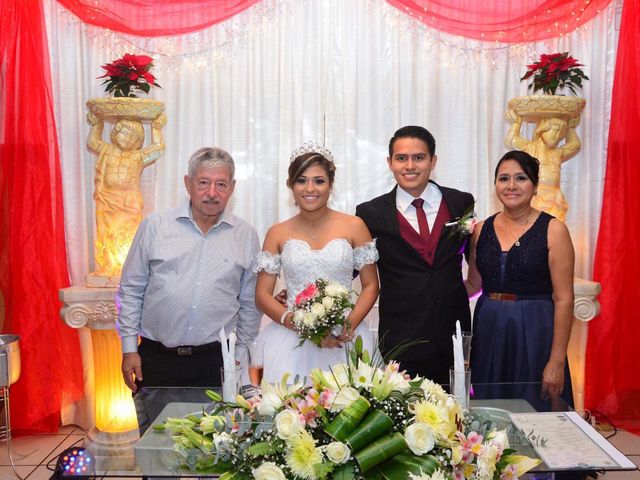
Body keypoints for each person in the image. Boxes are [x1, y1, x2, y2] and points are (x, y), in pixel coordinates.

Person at [117, 147, 262, 393]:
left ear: (232, 187)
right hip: (155, 358)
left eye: (221, 184)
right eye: (203, 183)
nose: (212, 193)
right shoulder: (155, 226)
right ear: (188, 183)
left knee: (215, 431)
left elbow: (250, 303)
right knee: (156, 431)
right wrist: (129, 349)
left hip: (216, 361)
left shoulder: (245, 235)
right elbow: (131, 290)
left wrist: (238, 357)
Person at [356, 126, 474, 385]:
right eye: (401, 158)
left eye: (418, 157)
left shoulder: (461, 203)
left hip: (453, 334)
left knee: (455, 417)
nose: (410, 166)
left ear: (433, 161)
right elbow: (347, 268)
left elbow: (477, 261)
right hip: (401, 337)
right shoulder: (370, 213)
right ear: (390, 163)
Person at [255, 142, 380, 383]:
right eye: (301, 180)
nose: (310, 188)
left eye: (319, 181)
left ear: (331, 185)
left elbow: (371, 286)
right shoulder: (277, 232)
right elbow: (262, 295)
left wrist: (346, 326)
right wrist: (304, 328)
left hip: (346, 336)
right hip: (292, 340)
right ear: (290, 185)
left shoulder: (354, 225)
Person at [465, 150, 574, 402]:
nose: (511, 186)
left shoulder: (554, 230)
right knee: (488, 409)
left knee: (535, 406)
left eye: (520, 178)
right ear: (495, 185)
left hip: (536, 329)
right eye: (503, 178)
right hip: (489, 328)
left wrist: (556, 360)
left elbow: (564, 299)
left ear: (535, 186)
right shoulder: (481, 229)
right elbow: (473, 284)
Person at [86, 112, 166, 277]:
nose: (128, 139)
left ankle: (127, 266)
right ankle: (108, 266)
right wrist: (97, 124)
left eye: (134, 138)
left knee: (126, 233)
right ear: (115, 132)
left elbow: (158, 149)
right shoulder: (107, 150)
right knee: (106, 232)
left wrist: (156, 128)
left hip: (129, 201)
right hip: (106, 199)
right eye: (125, 133)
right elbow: (93, 142)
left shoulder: (137, 157)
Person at [505, 110, 581, 221]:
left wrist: (570, 128)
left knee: (554, 229)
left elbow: (575, 146)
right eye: (554, 131)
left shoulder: (557, 153)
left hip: (555, 199)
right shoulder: (530, 148)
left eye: (560, 133)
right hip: (536, 197)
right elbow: (511, 140)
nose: (557, 136)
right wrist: (516, 123)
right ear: (542, 130)